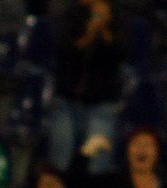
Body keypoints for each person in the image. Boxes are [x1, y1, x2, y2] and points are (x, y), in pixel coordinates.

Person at [49, 0, 123, 175]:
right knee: (59, 164)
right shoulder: (70, 14)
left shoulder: (118, 15)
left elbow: (122, 53)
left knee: (98, 166)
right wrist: (89, 31)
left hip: (102, 103)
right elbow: (63, 51)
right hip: (66, 101)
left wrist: (104, 28)